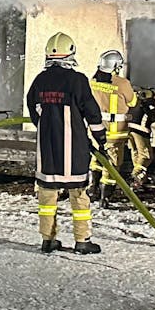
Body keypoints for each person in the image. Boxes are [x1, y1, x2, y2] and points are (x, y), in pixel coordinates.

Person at [27, 32, 105, 254]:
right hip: (74, 149)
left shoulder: (39, 80)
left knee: (47, 195)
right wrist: (100, 139)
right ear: (71, 53)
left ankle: (47, 239)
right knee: (79, 195)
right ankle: (82, 241)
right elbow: (92, 113)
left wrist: (46, 126)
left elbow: (33, 109)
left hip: (47, 150)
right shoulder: (77, 80)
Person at [87, 49, 138, 199]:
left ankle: (92, 188)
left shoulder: (94, 81)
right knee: (113, 163)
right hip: (116, 132)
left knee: (96, 158)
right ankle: (105, 197)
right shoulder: (122, 83)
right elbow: (132, 102)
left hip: (97, 129)